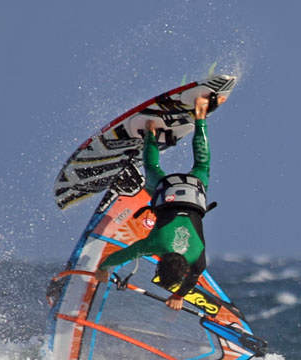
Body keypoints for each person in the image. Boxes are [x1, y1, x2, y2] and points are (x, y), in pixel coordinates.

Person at [94, 93, 222, 310]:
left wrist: (180, 294)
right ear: (160, 264)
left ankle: (200, 116)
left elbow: (194, 276)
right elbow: (122, 255)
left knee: (202, 164)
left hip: (193, 191)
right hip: (167, 190)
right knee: (152, 170)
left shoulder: (197, 259)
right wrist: (103, 268)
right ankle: (150, 133)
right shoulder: (152, 245)